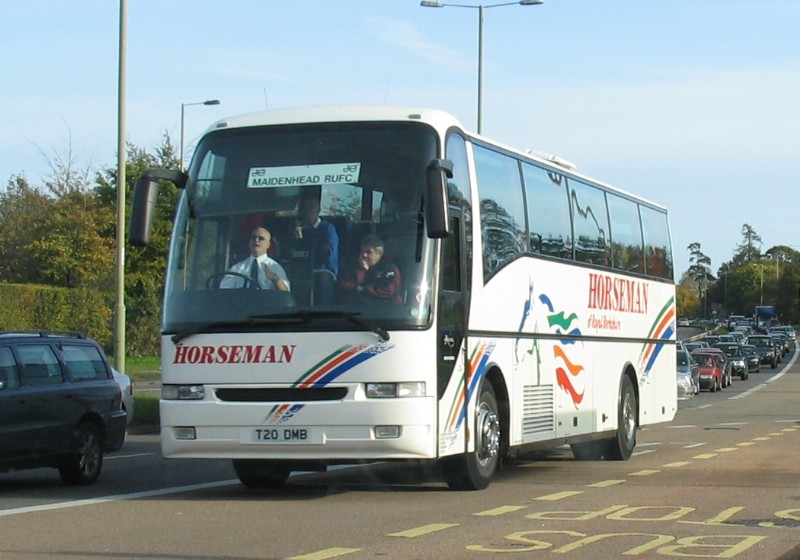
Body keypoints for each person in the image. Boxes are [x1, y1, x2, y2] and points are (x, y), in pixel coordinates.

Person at [291, 191, 339, 303]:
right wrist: (298, 240)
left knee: (321, 281)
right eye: (305, 207)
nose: (308, 210)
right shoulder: (298, 230)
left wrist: (307, 250)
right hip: (301, 270)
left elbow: (328, 255)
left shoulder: (327, 229)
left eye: (311, 206)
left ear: (318, 210)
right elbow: (290, 253)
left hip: (322, 270)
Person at [220, 227, 290, 291]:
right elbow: (224, 292)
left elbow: (285, 294)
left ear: (268, 244)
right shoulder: (237, 268)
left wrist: (275, 279)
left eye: (261, 238)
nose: (256, 240)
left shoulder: (275, 267)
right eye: (253, 238)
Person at [339, 234, 402, 304]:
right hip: (357, 306)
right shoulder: (355, 267)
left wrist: (363, 289)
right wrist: (362, 270)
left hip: (385, 307)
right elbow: (345, 285)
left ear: (379, 254)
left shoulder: (389, 268)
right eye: (362, 251)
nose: (364, 255)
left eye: (368, 252)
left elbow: (387, 290)